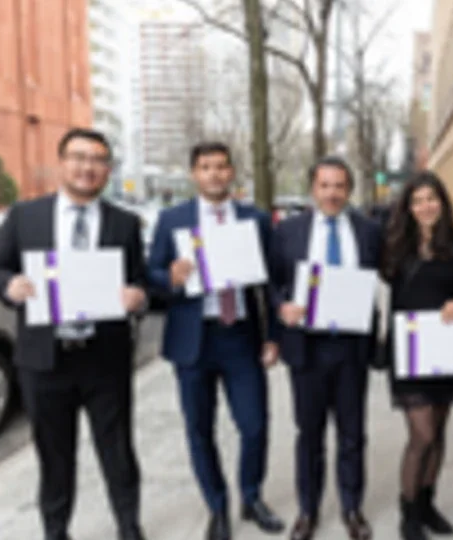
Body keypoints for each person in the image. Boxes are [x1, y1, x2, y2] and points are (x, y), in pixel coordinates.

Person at [0, 128, 148, 540]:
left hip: (103, 358)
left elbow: (141, 281)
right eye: (79, 157)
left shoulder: (124, 223)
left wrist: (138, 296)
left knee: (119, 453)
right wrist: (9, 287)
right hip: (44, 360)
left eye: (97, 160)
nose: (87, 167)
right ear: (62, 163)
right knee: (55, 458)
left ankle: (129, 526)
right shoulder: (25, 216)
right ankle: (56, 531)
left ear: (108, 170)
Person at [147, 142, 284, 540]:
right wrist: (168, 276)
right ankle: (217, 506)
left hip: (241, 335)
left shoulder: (254, 220)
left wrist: (273, 336)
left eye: (222, 167)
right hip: (193, 340)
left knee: (255, 425)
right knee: (200, 429)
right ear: (194, 173)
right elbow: (151, 272)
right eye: (206, 167)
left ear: (232, 172)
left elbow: (272, 283)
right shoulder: (173, 220)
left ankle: (252, 495)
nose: (214, 174)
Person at [271, 156, 382, 540]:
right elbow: (272, 282)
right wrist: (281, 305)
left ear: (349, 190)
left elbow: (392, 273)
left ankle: (352, 507)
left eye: (339, 186)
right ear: (313, 189)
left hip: (351, 349)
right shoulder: (288, 231)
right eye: (325, 185)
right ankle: (308, 510)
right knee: (310, 434)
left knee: (353, 433)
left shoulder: (369, 231)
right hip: (307, 349)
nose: (332, 193)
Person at [379, 172, 453, 540]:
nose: (425, 206)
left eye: (431, 199)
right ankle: (409, 511)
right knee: (422, 433)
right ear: (408, 207)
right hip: (410, 351)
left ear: (443, 202)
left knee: (440, 432)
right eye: (417, 201)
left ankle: (428, 503)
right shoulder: (394, 244)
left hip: (447, 348)